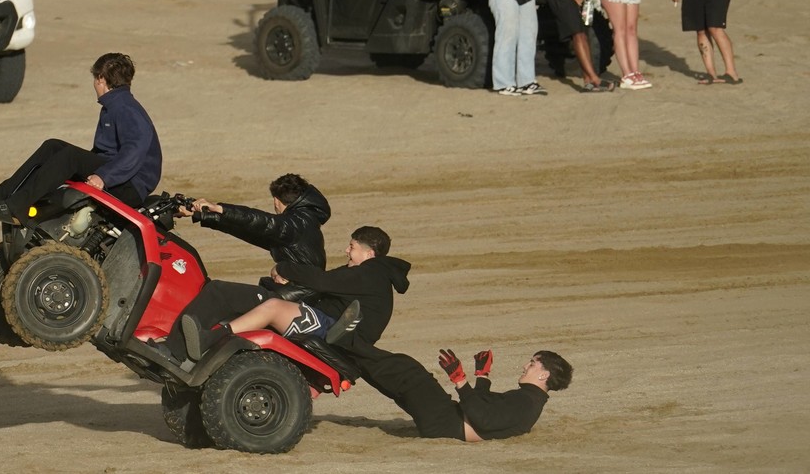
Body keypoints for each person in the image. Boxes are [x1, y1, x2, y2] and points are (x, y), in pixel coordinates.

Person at [0, 52, 162, 225]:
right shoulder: (114, 105)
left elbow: (134, 151)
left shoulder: (125, 108)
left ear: (101, 79)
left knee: (70, 157)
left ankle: (16, 206)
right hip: (120, 175)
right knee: (53, 146)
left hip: (131, 186)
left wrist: (103, 177)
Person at [160, 173, 331, 362]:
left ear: (276, 200)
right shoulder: (303, 222)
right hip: (292, 297)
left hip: (288, 300)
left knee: (218, 292)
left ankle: (172, 352)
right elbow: (250, 231)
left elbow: (260, 221)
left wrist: (220, 208)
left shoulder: (296, 223)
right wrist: (203, 214)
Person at [182, 226, 410, 361]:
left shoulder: (369, 274)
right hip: (329, 324)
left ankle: (210, 339)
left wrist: (284, 268)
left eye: (352, 247)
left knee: (272, 307)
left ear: (369, 254)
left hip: (335, 333)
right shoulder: (366, 274)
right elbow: (323, 283)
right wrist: (289, 280)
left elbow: (322, 281)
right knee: (266, 302)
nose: (346, 250)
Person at [357, 348, 572, 440]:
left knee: (410, 371)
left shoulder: (526, 403)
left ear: (544, 375)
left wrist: (459, 380)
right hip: (446, 420)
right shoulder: (529, 399)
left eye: (532, 363)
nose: (525, 366)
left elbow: (483, 419)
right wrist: (482, 376)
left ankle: (351, 347)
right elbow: (484, 407)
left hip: (445, 422)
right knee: (399, 382)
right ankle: (349, 360)